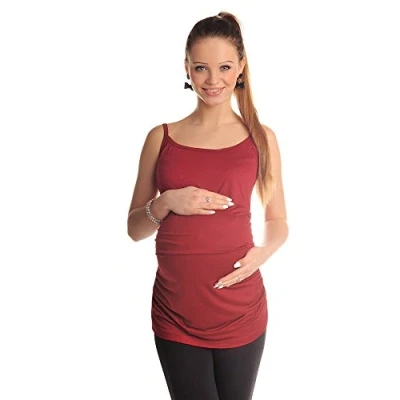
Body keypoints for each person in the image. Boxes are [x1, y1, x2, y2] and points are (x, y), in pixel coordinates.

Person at [127, 11, 288, 400]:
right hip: (176, 311)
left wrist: (263, 252)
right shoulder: (161, 137)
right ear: (186, 68)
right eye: (201, 68)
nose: (213, 80)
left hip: (240, 308)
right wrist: (166, 202)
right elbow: (134, 229)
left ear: (241, 67)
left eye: (224, 67)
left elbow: (277, 218)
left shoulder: (260, 138)